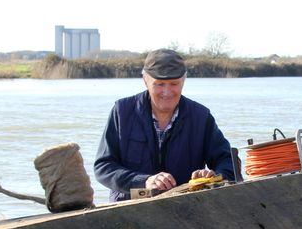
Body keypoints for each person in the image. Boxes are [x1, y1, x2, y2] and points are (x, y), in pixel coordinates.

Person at [94, 48, 234, 201]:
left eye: (174, 83)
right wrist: (144, 181)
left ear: (184, 80)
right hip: (128, 207)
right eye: (159, 84)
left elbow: (229, 162)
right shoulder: (122, 112)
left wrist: (214, 176)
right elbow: (103, 167)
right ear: (145, 80)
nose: (167, 92)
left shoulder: (201, 117)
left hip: (186, 207)